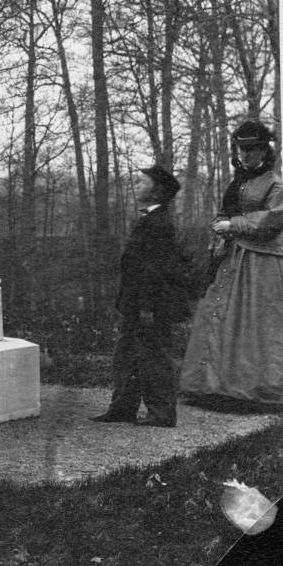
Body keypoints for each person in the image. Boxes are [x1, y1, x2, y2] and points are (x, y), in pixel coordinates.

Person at [180, 120, 283, 404]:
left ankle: (255, 389)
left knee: (255, 321)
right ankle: (216, 386)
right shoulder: (239, 181)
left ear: (265, 151)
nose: (247, 155)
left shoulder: (276, 184)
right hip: (233, 257)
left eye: (253, 149)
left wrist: (232, 224)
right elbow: (225, 212)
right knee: (219, 316)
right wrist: (219, 223)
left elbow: (273, 220)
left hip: (261, 261)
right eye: (242, 149)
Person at [91, 164, 187, 428]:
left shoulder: (160, 225)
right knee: (126, 355)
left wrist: (146, 307)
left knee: (153, 357)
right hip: (135, 303)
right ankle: (123, 408)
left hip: (150, 305)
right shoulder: (148, 219)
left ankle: (162, 414)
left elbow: (155, 271)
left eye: (141, 182)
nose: (136, 186)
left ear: (157, 193)